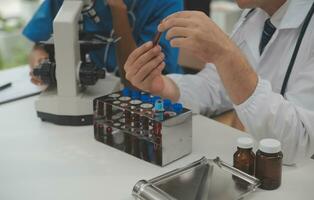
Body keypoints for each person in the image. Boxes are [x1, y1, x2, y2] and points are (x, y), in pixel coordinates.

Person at [124, 0, 314, 165]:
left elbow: (299, 143)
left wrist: (225, 54)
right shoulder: (254, 15)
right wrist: (165, 87)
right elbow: (217, 87)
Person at [23, 0, 183, 86]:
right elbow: (39, 44)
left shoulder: (165, 4)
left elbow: (145, 80)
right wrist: (41, 63)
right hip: (95, 91)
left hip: (153, 97)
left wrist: (118, 11)